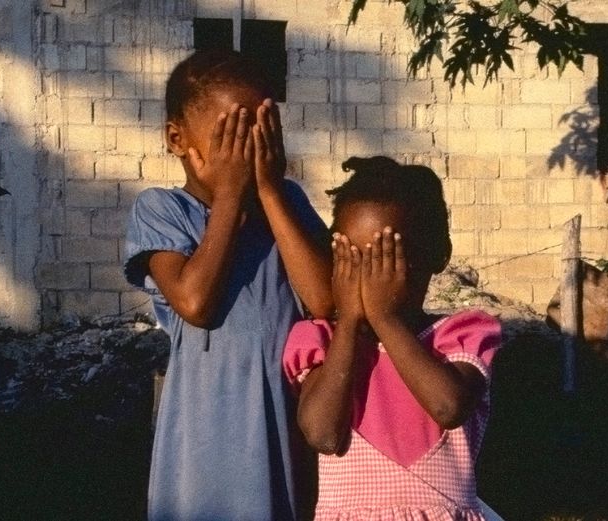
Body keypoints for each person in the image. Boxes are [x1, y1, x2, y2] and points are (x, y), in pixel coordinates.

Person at [123, 49, 333, 521]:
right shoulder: (162, 211)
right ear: (178, 139)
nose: (248, 153)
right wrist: (231, 194)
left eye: (260, 134)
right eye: (231, 137)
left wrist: (271, 191)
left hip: (284, 420)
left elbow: (324, 299)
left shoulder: (287, 206)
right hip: (207, 434)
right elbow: (195, 302)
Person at [282, 156, 503, 520]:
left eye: (386, 259)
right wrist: (351, 323)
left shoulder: (459, 337)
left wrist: (386, 319)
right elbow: (322, 434)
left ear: (438, 255)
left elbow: (448, 407)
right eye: (352, 259)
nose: (369, 279)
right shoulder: (321, 342)